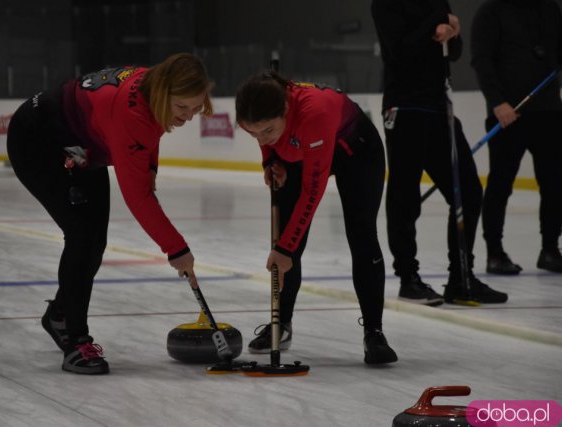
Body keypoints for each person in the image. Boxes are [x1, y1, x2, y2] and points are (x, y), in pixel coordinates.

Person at [6, 53, 213, 374]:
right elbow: (138, 197)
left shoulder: (155, 87)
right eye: (181, 108)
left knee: (95, 241)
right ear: (162, 95)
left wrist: (151, 167)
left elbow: (153, 131)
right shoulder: (132, 113)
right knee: (81, 235)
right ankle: (76, 341)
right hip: (36, 138)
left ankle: (60, 314)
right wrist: (177, 248)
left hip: (83, 144)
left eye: (196, 108)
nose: (187, 117)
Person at [235, 72, 398, 365]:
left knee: (361, 235)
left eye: (267, 131)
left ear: (284, 110)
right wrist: (271, 159)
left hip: (356, 152)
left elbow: (312, 192)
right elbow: (268, 140)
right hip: (302, 151)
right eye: (253, 134)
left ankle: (375, 333)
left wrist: (285, 251)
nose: (261, 138)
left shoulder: (314, 112)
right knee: (285, 237)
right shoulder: (266, 114)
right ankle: (281, 324)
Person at [371, 0, 508, 305]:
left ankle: (461, 276)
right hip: (405, 107)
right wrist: (438, 22)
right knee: (405, 196)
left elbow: (453, 52)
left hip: (438, 106)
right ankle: (409, 278)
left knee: (469, 192)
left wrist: (453, 34)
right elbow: (401, 51)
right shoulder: (385, 4)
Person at [471, 0, 562, 275]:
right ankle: (495, 253)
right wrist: (497, 102)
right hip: (509, 113)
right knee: (500, 185)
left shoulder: (550, 9)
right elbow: (481, 59)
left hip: (548, 111)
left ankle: (550, 249)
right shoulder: (491, 11)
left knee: (555, 184)